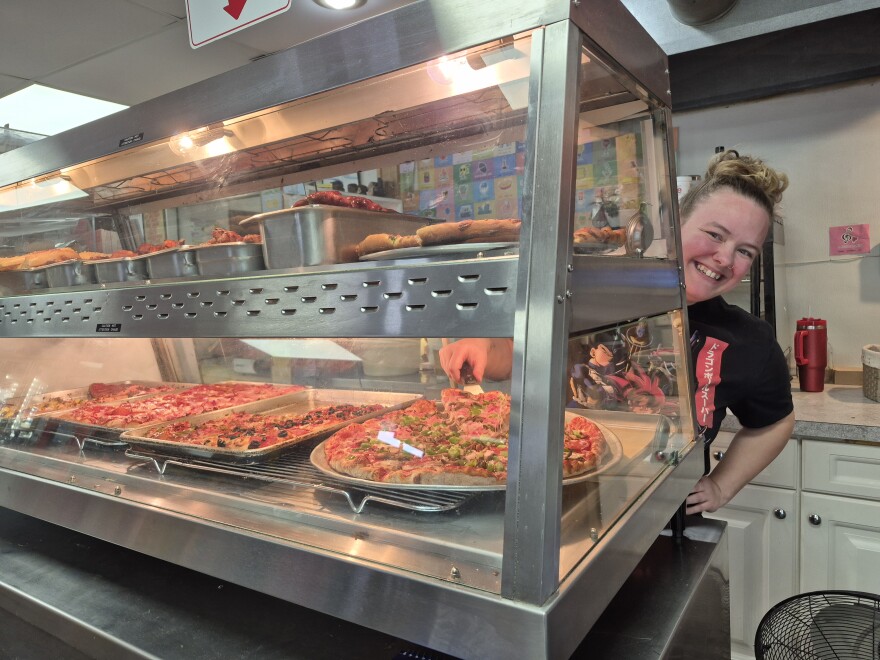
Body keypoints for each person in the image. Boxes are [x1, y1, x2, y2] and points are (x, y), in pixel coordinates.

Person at [438, 149, 795, 515]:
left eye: (745, 251)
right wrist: (481, 346)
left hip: (661, 523)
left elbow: (775, 422)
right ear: (676, 223)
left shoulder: (748, 339)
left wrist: (722, 485)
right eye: (715, 234)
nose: (724, 258)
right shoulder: (591, 292)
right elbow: (516, 355)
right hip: (548, 502)